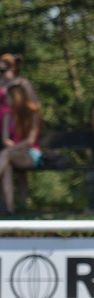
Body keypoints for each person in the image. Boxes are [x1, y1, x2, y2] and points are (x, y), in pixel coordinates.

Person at [0, 84, 42, 214]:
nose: (6, 100)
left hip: (31, 154)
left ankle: (12, 207)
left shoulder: (33, 114)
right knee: (6, 166)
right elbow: (5, 139)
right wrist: (14, 149)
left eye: (8, 97)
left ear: (16, 98)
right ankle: (10, 208)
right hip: (13, 153)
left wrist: (13, 148)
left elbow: (30, 140)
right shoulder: (8, 116)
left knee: (6, 154)